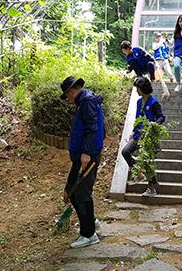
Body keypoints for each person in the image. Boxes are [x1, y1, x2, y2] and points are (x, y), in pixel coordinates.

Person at [60, 76, 106, 248]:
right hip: (84, 155)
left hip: (87, 156)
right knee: (74, 192)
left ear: (71, 91)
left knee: (80, 193)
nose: (69, 100)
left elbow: (92, 127)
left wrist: (87, 152)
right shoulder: (86, 100)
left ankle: (88, 235)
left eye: (67, 96)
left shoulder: (87, 101)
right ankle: (91, 222)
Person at [122, 77, 166, 196]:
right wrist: (133, 132)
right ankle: (139, 172)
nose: (137, 90)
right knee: (125, 152)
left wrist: (154, 124)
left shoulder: (154, 102)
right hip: (138, 135)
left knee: (147, 161)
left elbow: (162, 117)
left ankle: (151, 188)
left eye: (138, 88)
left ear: (144, 88)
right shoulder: (138, 101)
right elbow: (138, 118)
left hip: (149, 137)